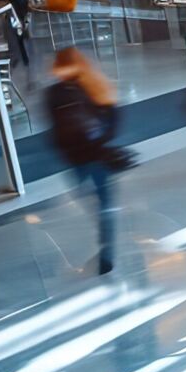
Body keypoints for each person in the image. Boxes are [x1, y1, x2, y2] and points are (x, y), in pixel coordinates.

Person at [46, 48, 124, 274]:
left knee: (94, 201)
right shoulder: (96, 85)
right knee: (105, 203)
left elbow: (54, 127)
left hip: (76, 158)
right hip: (97, 154)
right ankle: (107, 246)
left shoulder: (55, 93)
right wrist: (101, 141)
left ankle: (106, 244)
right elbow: (114, 119)